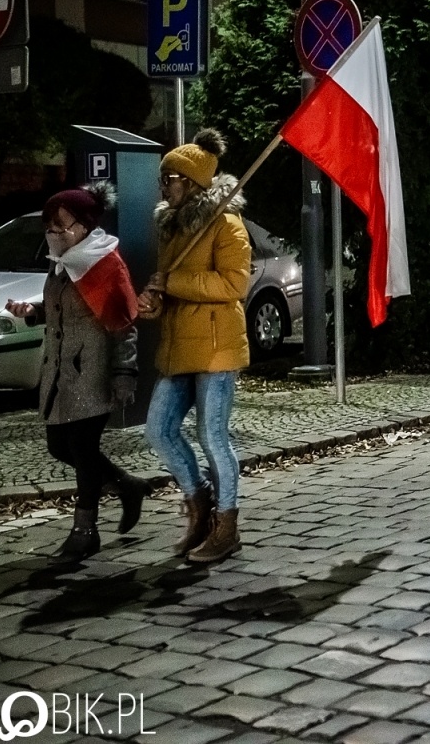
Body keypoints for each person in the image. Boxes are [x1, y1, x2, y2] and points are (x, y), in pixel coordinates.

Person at [6, 185, 147, 566]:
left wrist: (124, 373)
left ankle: (85, 531)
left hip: (93, 373)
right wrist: (31, 310)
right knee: (58, 447)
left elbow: (124, 324)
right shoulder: (64, 260)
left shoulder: (104, 264)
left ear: (84, 226)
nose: (54, 233)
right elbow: (62, 307)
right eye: (49, 226)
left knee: (83, 452)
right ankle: (126, 485)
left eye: (62, 225)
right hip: (59, 374)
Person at [138, 129, 253, 564]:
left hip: (215, 346)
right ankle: (199, 501)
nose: (163, 185)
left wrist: (174, 283)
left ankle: (227, 527)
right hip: (180, 345)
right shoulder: (173, 227)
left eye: (171, 178)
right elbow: (173, 285)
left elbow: (234, 284)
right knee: (159, 430)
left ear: (193, 183)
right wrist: (156, 300)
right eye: (163, 178)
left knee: (212, 435)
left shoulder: (226, 224)